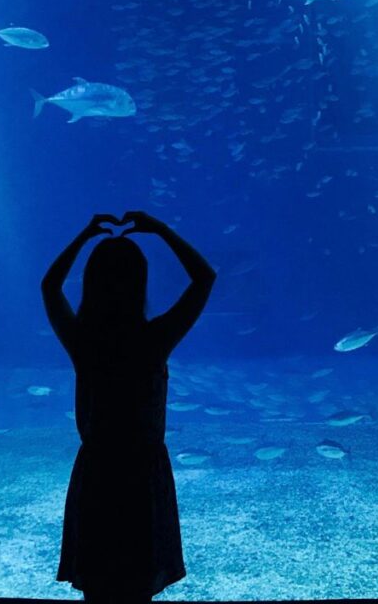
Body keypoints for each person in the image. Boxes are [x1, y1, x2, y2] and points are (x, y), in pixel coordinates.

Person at [42, 211, 216, 603]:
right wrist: (161, 230)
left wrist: (85, 235)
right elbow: (204, 278)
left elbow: (50, 287)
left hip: (98, 469)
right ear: (140, 284)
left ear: (91, 284)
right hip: (142, 470)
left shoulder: (84, 341)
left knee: (99, 583)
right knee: (139, 580)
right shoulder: (154, 339)